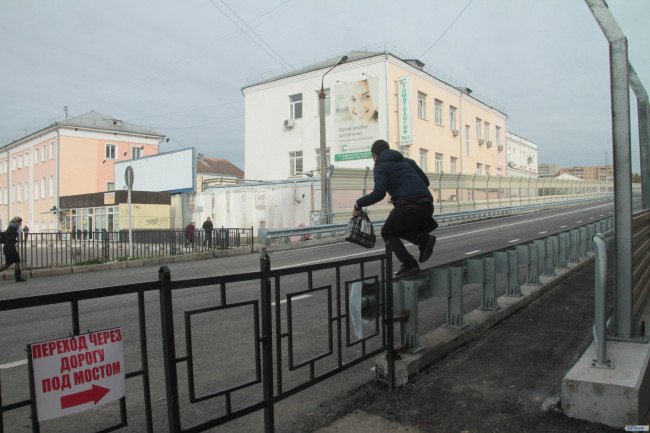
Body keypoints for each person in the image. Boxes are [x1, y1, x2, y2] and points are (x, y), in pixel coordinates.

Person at [353, 139, 437, 278]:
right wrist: (400, 194)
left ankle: (409, 263)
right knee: (398, 228)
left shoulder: (380, 166)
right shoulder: (407, 161)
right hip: (427, 205)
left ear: (375, 155)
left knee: (387, 232)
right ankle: (423, 240)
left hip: (410, 205)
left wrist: (358, 204)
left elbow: (379, 193)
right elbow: (426, 182)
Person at [0, 216, 27, 282]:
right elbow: (10, 239)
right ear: (16, 222)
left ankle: (18, 277)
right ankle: (18, 277)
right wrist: (15, 240)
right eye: (20, 222)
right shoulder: (12, 229)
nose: (20, 224)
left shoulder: (11, 228)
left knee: (12, 262)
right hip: (10, 248)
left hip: (8, 248)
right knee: (12, 263)